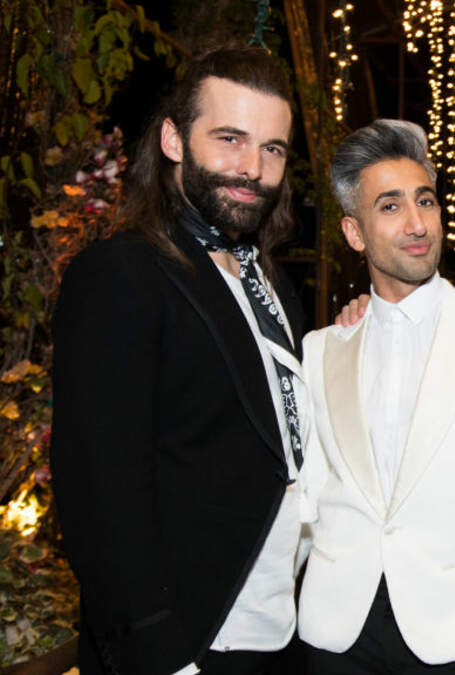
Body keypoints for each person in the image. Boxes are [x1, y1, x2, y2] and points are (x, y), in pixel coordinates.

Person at [51, 47, 307, 674]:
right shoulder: (122, 274)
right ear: (173, 139)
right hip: (189, 644)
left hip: (279, 634)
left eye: (272, 148)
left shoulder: (274, 284)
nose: (252, 168)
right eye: (229, 139)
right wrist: (160, 656)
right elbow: (101, 494)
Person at [297, 119, 455, 674]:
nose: (417, 224)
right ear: (354, 233)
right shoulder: (322, 350)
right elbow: (305, 502)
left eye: (425, 201)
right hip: (335, 638)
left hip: (454, 639)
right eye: (390, 206)